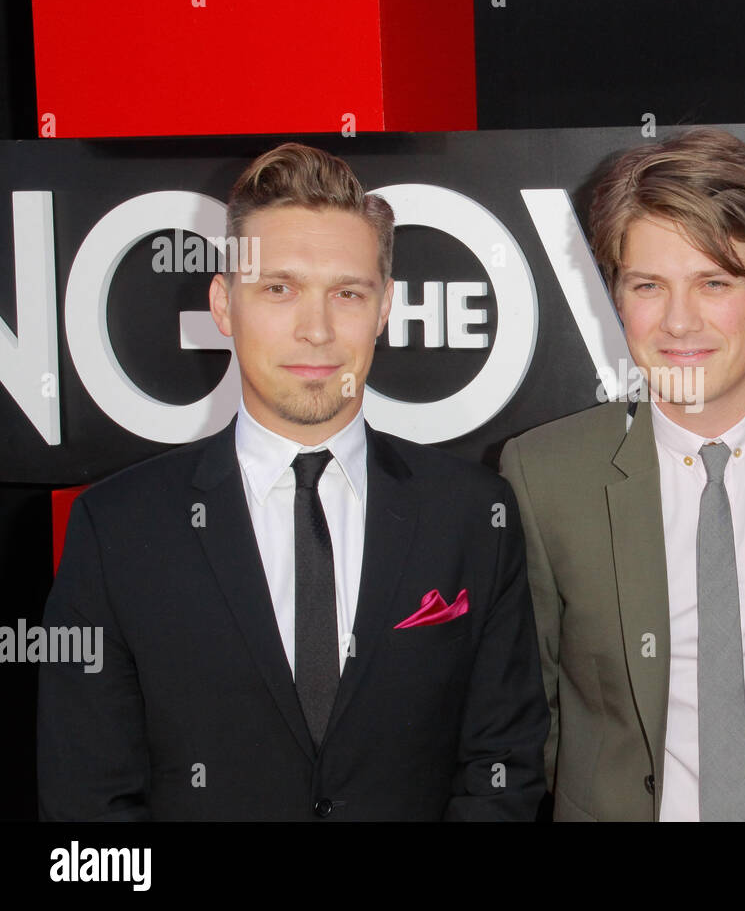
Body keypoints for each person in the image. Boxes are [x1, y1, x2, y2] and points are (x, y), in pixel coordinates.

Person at [38, 143, 548, 820]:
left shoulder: (473, 514)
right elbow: (89, 805)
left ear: (385, 306)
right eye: (278, 289)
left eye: (347, 293)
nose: (316, 330)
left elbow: (502, 768)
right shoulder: (119, 529)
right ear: (224, 304)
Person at [500, 128, 745, 821]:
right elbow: (535, 717)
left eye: (714, 282)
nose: (679, 322)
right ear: (617, 295)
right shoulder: (543, 477)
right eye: (648, 285)